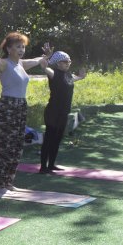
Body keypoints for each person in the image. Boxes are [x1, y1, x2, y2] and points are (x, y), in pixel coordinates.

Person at [0, 33, 47, 190]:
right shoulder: (5, 64)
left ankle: (8, 181)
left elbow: (36, 60)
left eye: (23, 47)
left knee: (17, 145)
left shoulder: (21, 64)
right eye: (18, 47)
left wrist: (44, 57)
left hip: (21, 105)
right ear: (9, 49)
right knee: (6, 145)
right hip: (8, 106)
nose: (21, 50)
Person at [38, 45, 87, 173]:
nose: (68, 63)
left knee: (58, 138)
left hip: (64, 113)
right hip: (53, 112)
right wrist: (47, 56)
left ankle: (51, 165)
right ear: (58, 63)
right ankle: (43, 167)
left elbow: (74, 79)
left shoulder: (68, 75)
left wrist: (81, 77)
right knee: (49, 139)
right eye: (65, 61)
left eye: (69, 61)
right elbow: (44, 67)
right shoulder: (53, 73)